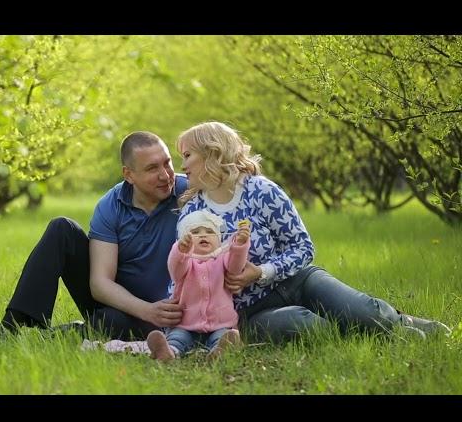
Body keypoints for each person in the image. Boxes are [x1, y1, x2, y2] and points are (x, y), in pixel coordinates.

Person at [176, 121, 451, 343]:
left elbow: (302, 247)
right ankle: (375, 334)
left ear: (213, 153)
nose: (183, 165)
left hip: (296, 281)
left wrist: (260, 272)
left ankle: (398, 323)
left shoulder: (261, 191)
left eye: (187, 155)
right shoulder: (192, 213)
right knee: (308, 327)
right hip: (248, 311)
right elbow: (187, 271)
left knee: (362, 312)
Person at [0, 131, 188, 340]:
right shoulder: (110, 206)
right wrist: (147, 310)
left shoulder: (190, 192)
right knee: (61, 228)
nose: (165, 175)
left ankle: (63, 334)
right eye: (152, 168)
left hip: (165, 314)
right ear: (128, 175)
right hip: (120, 302)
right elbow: (100, 284)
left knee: (111, 322)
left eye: (167, 163)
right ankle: (10, 328)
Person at [146, 210, 249, 361]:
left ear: (219, 241)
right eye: (195, 232)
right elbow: (175, 268)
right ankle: (168, 351)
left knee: (223, 337)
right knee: (177, 338)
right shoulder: (185, 262)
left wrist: (239, 245)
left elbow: (235, 267)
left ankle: (220, 352)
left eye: (209, 231)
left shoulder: (222, 259)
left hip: (220, 323)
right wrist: (181, 250)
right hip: (185, 324)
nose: (203, 235)